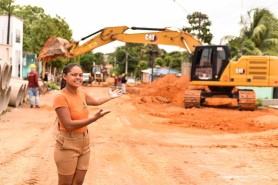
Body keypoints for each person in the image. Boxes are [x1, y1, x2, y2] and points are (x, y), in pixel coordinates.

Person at [53, 63, 121, 185]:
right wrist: (93, 119)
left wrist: (109, 96)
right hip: (67, 145)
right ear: (64, 76)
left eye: (80, 75)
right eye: (74, 75)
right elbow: (68, 125)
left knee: (78, 182)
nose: (78, 77)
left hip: (84, 143)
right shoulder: (61, 97)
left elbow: (95, 101)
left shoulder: (81, 92)